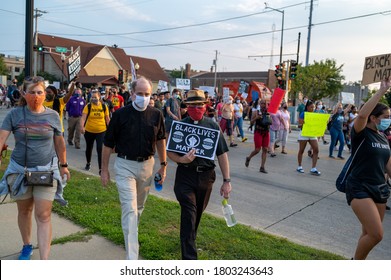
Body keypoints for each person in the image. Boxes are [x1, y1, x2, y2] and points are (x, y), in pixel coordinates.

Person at [0, 76, 70, 260]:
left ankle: (44, 261)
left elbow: (60, 142)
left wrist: (64, 165)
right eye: (32, 92)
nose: (36, 96)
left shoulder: (53, 116)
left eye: (40, 92)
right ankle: (26, 245)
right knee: (24, 211)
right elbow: (1, 139)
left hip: (46, 170)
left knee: (44, 214)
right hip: (19, 170)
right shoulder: (14, 115)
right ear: (24, 93)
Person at [101, 76, 167, 260]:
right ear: (131, 94)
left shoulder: (156, 114)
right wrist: (104, 170)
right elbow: (107, 144)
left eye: (147, 94)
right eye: (140, 93)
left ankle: (131, 234)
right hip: (124, 166)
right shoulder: (120, 114)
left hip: (147, 165)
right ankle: (132, 259)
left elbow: (161, 140)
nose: (144, 97)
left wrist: (163, 165)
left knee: (138, 208)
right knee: (129, 209)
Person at [167, 89, 232, 260]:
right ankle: (190, 259)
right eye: (193, 105)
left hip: (206, 177)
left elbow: (222, 154)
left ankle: (189, 239)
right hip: (185, 176)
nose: (197, 108)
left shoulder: (212, 126)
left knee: (197, 213)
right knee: (189, 212)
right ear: (187, 107)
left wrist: (227, 180)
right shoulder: (180, 126)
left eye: (200, 105)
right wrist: (183, 160)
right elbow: (170, 153)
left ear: (205, 105)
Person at [345, 78, 391, 260]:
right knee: (376, 234)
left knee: (367, 233)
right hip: (359, 187)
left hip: (379, 189)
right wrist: (382, 91)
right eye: (386, 117)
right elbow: (361, 116)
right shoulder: (361, 133)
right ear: (373, 117)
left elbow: (388, 165)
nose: (389, 120)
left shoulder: (382, 137)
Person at [80, 90, 110, 173]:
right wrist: (82, 127)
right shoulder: (88, 106)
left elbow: (107, 119)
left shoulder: (104, 106)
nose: (93, 99)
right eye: (92, 97)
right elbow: (83, 118)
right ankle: (88, 163)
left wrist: (111, 129)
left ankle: (101, 168)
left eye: (95, 97)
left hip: (101, 131)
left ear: (99, 97)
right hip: (89, 131)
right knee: (89, 148)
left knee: (100, 149)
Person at [245, 99, 271, 173]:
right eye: (262, 103)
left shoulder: (268, 112)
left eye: (265, 103)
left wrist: (269, 116)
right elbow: (251, 121)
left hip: (266, 132)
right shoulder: (256, 111)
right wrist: (257, 118)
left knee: (265, 149)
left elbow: (271, 121)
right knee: (257, 149)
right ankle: (249, 158)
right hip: (258, 131)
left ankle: (262, 167)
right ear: (260, 104)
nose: (264, 105)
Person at [296, 100, 321, 175]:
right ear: (307, 107)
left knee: (316, 150)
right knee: (301, 150)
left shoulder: (315, 114)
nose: (313, 108)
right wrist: (303, 123)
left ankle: (313, 168)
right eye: (311, 107)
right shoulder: (303, 113)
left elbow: (318, 123)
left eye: (314, 107)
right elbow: (299, 124)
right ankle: (299, 166)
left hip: (312, 133)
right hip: (304, 133)